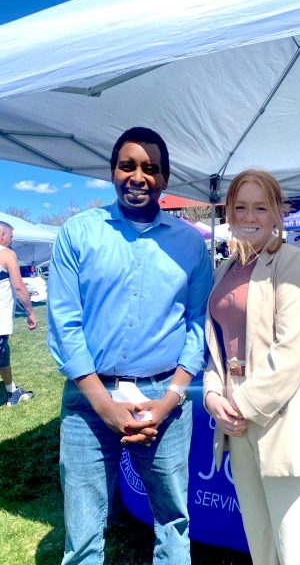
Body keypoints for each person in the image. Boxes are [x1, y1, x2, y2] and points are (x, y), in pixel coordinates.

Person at [47, 127, 212, 565]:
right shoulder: (78, 233)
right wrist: (104, 405)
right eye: (128, 165)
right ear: (113, 172)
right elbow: (65, 323)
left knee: (174, 522)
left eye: (150, 168)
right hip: (88, 400)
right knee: (81, 535)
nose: (138, 176)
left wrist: (170, 399)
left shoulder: (191, 244)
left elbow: (198, 325)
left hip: (165, 399)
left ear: (166, 178)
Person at [203, 170, 300, 565]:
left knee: (299, 546)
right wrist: (214, 395)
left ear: (278, 212)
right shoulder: (224, 269)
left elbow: (294, 350)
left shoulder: (294, 262)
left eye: (260, 207)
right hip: (236, 422)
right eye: (241, 206)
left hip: (284, 420)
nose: (250, 216)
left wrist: (241, 405)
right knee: (261, 540)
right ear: (229, 212)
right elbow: (216, 341)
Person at [0, 221, 36, 406]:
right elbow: (19, 286)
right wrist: (30, 312)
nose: (12, 241)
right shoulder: (6, 253)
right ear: (2, 236)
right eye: (11, 237)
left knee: (3, 355)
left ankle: (12, 391)